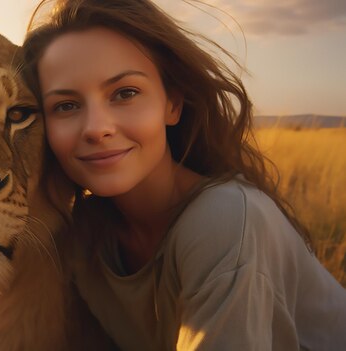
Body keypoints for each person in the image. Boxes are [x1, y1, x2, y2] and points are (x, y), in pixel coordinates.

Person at [21, 0, 346, 349]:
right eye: (66, 105)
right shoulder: (81, 235)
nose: (96, 128)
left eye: (125, 93)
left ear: (172, 104)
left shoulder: (225, 220)